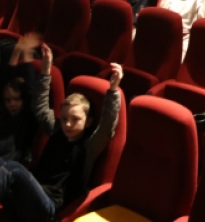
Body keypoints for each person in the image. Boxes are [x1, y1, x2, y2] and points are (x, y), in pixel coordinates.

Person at [0, 44, 122, 221]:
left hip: (49, 207)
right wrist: (46, 69)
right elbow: (40, 107)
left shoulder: (89, 145)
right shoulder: (58, 130)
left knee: (14, 170)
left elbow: (107, 127)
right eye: (64, 118)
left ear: (88, 122)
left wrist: (113, 91)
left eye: (75, 119)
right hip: (30, 196)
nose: (68, 124)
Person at [0, 34, 38, 162]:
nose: (12, 104)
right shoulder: (5, 113)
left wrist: (27, 54)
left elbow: (29, 89)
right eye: (8, 101)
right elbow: (7, 79)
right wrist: (16, 52)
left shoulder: (26, 114)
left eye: (17, 100)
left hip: (10, 157)